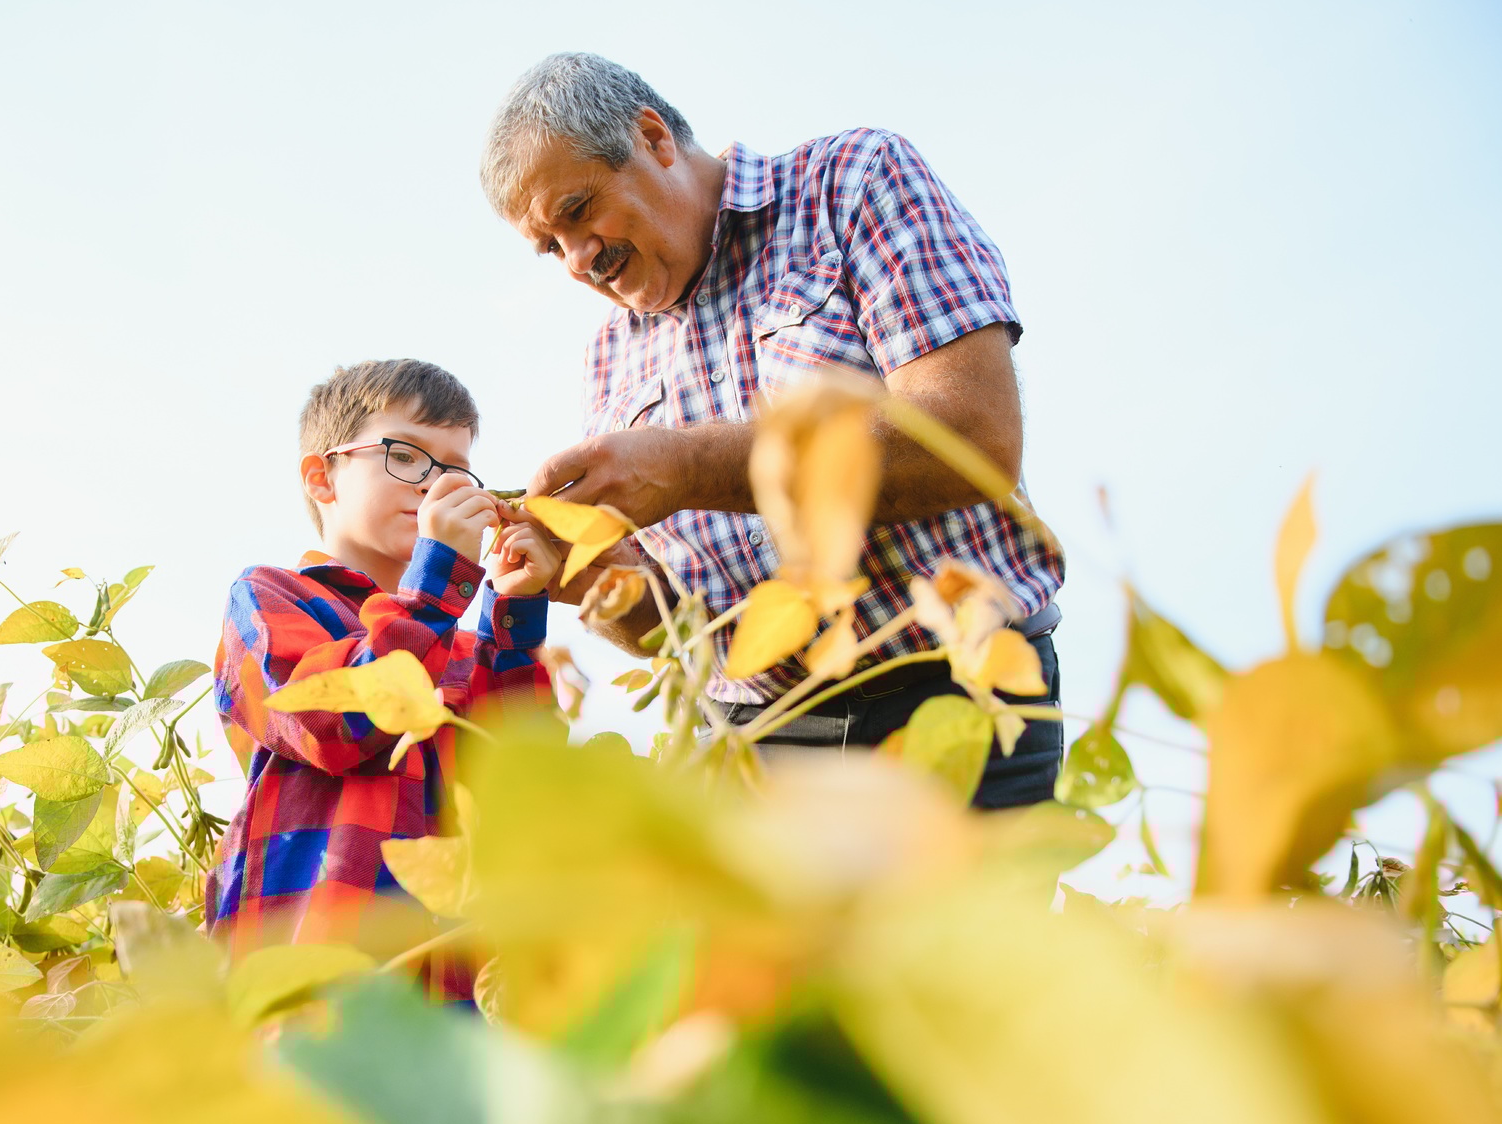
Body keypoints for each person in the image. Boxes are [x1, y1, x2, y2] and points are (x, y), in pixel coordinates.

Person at [482, 54, 1066, 806]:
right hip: (756, 749)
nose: (577, 260)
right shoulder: (608, 358)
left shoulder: (852, 184)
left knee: (966, 929)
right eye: (550, 247)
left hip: (959, 700)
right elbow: (681, 634)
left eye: (577, 212)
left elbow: (973, 436)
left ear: (654, 138)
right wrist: (593, 581)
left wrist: (691, 467)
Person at [208, 359, 559, 990]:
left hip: (448, 985)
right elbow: (325, 722)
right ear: (322, 478)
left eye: (455, 468)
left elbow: (518, 774)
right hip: (316, 969)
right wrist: (436, 585)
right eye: (407, 455)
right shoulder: (270, 597)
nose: (436, 485)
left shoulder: (453, 640)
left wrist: (514, 608)